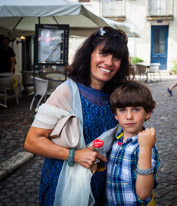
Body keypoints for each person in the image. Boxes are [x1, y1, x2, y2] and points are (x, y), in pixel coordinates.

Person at [24, 26, 133, 206]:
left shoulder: (118, 96)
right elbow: (32, 141)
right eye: (103, 53)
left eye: (116, 57)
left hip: (100, 184)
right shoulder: (67, 91)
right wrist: (75, 155)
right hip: (64, 184)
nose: (109, 62)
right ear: (90, 54)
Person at [106, 81, 159, 205]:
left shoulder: (146, 146)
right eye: (122, 110)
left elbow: (144, 193)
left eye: (136, 109)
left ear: (148, 113)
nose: (129, 116)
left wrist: (145, 149)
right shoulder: (115, 140)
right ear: (115, 115)